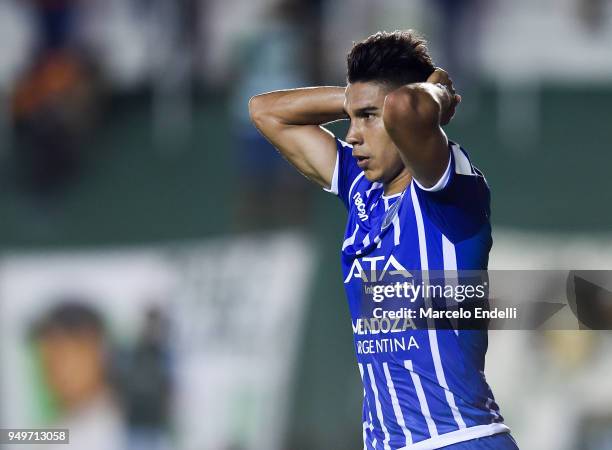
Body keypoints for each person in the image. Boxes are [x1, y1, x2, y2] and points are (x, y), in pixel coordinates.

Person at [249, 30, 519, 449]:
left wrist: (436, 93)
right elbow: (265, 111)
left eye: (369, 117)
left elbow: (406, 107)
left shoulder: (450, 189)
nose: (352, 134)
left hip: (458, 439)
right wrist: (354, 101)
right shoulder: (361, 188)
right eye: (352, 118)